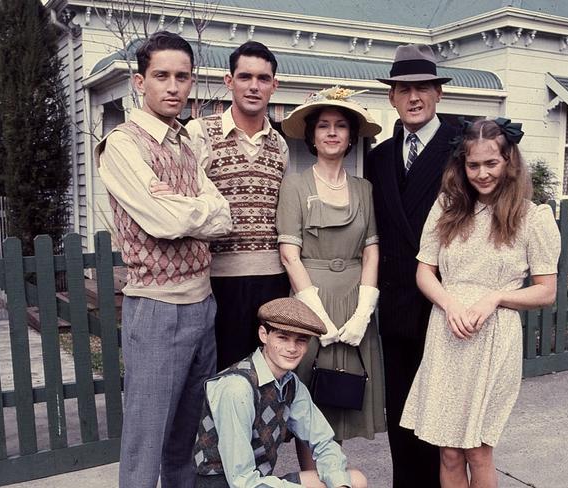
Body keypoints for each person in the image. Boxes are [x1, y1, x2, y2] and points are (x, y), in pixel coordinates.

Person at [95, 31, 232, 487]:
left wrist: (184, 204)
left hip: (202, 303)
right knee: (145, 442)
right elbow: (161, 222)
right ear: (139, 82)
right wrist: (187, 208)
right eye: (161, 76)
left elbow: (224, 217)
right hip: (156, 308)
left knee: (187, 440)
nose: (173, 87)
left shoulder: (188, 144)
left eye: (182, 76)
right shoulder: (123, 144)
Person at [400, 118, 561, 487]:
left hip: (493, 340)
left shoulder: (531, 217)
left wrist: (497, 297)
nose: (482, 173)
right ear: (462, 165)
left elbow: (546, 290)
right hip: (447, 335)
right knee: (450, 450)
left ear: (509, 162)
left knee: (478, 450)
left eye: (492, 163)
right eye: (473, 165)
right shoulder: (447, 207)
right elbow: (424, 272)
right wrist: (449, 303)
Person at [364, 43, 459, 487]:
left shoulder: (462, 148)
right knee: (402, 413)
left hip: (447, 304)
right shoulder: (378, 156)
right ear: (392, 98)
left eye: (423, 87)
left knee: (447, 418)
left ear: (438, 93)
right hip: (398, 306)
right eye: (404, 89)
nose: (414, 97)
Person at [276, 87, 386, 467]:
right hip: (312, 300)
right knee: (309, 399)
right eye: (324, 125)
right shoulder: (294, 185)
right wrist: (315, 315)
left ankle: (335, 474)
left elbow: (371, 249)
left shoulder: (364, 189)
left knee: (344, 395)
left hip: (354, 300)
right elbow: (290, 254)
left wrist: (363, 312)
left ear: (352, 135)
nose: (333, 132)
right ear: (312, 135)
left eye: (341, 125)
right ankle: (310, 477)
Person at [186, 41, 290, 371]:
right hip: (219, 280)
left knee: (267, 371)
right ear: (229, 81)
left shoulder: (281, 146)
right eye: (245, 76)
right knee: (223, 373)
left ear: (274, 85)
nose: (254, 86)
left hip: (272, 278)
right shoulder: (200, 132)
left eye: (263, 78)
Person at [193, 297, 368, 488]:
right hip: (226, 484)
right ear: (263, 335)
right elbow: (241, 480)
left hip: (258, 481)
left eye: (300, 340)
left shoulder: (290, 383)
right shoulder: (237, 387)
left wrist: (340, 485)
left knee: (354, 481)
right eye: (282, 337)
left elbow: (324, 442)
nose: (292, 348)